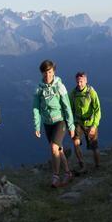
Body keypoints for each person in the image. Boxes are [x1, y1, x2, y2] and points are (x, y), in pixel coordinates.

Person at [32, 59, 75, 187]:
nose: (48, 75)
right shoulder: (39, 89)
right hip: (47, 123)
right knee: (59, 149)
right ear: (42, 73)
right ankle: (68, 173)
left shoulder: (60, 86)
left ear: (54, 71)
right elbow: (36, 108)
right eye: (45, 73)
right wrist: (37, 125)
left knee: (53, 148)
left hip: (60, 121)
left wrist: (71, 125)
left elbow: (67, 106)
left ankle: (55, 177)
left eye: (50, 72)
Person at [70, 71, 102, 172]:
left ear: (86, 80)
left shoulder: (91, 92)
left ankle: (97, 166)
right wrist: (70, 125)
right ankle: (82, 165)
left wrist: (94, 125)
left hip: (90, 123)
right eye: (78, 82)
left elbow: (97, 110)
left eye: (81, 81)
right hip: (78, 122)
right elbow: (70, 110)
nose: (79, 84)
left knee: (94, 147)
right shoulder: (73, 93)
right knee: (76, 143)